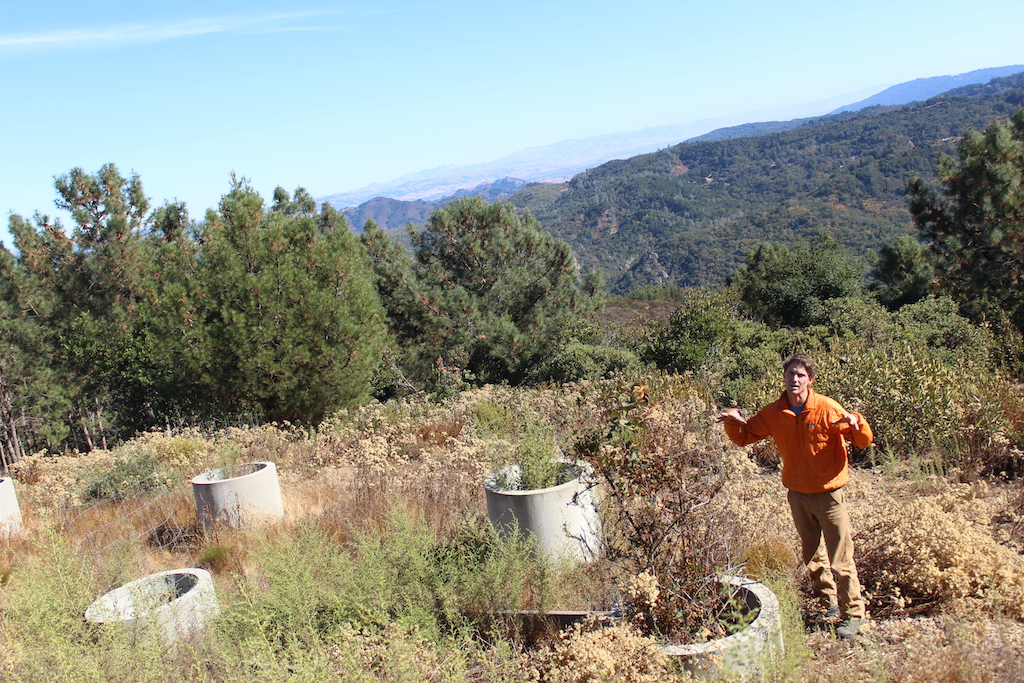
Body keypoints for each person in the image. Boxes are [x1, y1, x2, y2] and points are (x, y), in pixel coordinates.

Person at [717, 353, 873, 639]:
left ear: (810, 380)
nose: (795, 380)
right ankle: (829, 606)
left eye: (801, 375)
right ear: (784, 378)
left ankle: (854, 614)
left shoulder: (826, 408)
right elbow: (744, 436)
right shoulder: (775, 412)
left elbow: (863, 441)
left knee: (841, 557)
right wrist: (732, 421)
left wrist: (856, 423)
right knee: (812, 555)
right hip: (798, 494)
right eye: (790, 374)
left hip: (829, 495)